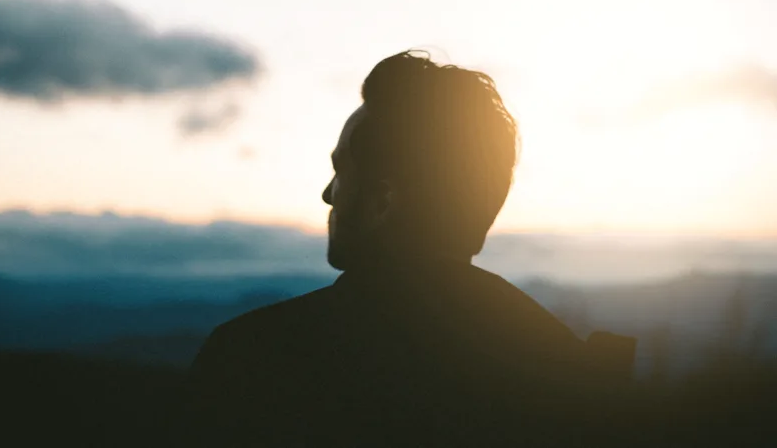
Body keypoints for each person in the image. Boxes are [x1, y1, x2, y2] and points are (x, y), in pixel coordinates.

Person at [189, 51, 636, 447]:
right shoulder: (568, 370)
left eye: (341, 172)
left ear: (382, 201)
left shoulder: (256, 360)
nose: (328, 194)